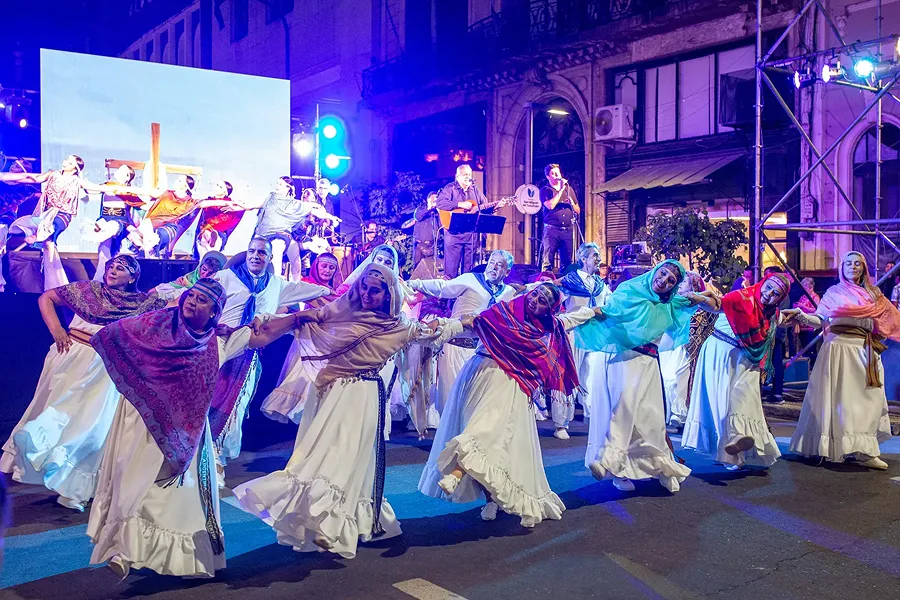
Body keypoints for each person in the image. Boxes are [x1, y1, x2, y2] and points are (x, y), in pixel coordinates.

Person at [234, 264, 450, 559]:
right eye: (363, 287)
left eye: (375, 290)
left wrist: (464, 324)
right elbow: (302, 319)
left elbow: (434, 332)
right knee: (317, 455)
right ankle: (324, 522)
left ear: (388, 294)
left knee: (348, 459)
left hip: (361, 396)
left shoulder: (398, 326)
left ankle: (336, 523)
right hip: (328, 393)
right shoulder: (339, 309)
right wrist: (276, 319)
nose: (366, 294)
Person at [86, 278, 282, 578]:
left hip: (185, 431)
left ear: (215, 313)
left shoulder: (218, 343)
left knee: (176, 496)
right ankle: (123, 550)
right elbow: (109, 335)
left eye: (203, 301)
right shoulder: (154, 327)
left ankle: (183, 559)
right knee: (132, 482)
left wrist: (290, 317)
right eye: (191, 296)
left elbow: (262, 335)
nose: (193, 302)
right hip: (142, 420)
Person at [419, 284, 597, 526]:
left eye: (543, 301)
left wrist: (593, 312)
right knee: (495, 443)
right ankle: (492, 499)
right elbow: (468, 324)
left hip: (510, 383)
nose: (536, 301)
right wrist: (436, 327)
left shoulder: (547, 328)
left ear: (548, 310)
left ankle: (457, 473)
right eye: (535, 294)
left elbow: (570, 319)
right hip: (478, 375)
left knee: (485, 432)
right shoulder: (501, 312)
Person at [0, 255, 165, 511]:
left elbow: (171, 311)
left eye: (121, 268)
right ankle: (44, 460)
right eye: (111, 266)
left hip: (105, 367)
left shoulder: (142, 303)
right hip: (72, 357)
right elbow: (46, 298)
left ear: (133, 277)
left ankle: (73, 489)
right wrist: (57, 329)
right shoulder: (88, 290)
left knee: (90, 427)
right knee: (59, 415)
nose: (113, 270)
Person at [207, 238, 331, 470]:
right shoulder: (225, 278)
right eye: (252, 251)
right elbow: (201, 297)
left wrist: (337, 291)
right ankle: (200, 453)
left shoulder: (277, 285)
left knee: (236, 404)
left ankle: (218, 459)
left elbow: (315, 290)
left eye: (262, 253)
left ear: (270, 258)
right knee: (209, 397)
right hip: (218, 346)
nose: (256, 256)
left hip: (248, 353)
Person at [578, 260, 696, 493]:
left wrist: (702, 297)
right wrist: (579, 318)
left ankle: (660, 466)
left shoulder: (670, 304)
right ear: (656, 271)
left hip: (648, 364)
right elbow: (607, 313)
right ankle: (613, 465)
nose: (663, 281)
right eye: (663, 274)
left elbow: (711, 304)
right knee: (623, 409)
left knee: (649, 419)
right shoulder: (628, 291)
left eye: (671, 281)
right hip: (622, 359)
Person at [263, 244, 409, 426]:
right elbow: (333, 308)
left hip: (374, 349)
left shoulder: (395, 293)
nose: (383, 264)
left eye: (388, 262)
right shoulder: (352, 287)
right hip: (343, 344)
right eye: (379, 260)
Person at [789, 252, 900, 469]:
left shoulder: (874, 294)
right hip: (837, 349)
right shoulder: (833, 293)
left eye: (857, 263)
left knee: (869, 400)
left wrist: (876, 339)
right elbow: (819, 320)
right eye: (849, 263)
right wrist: (801, 315)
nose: (853, 267)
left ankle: (865, 450)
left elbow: (889, 319)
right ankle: (825, 447)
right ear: (842, 267)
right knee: (838, 402)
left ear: (864, 268)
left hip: (864, 351)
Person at [681, 272, 793, 470]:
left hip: (749, 360)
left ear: (780, 299)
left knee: (744, 400)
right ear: (762, 284)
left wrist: (801, 315)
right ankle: (733, 450)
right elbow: (716, 306)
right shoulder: (740, 297)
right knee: (723, 402)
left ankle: (737, 442)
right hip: (722, 353)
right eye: (768, 288)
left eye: (775, 293)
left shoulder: (772, 314)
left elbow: (784, 318)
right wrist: (698, 298)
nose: (768, 294)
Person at [407, 250, 517, 425]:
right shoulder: (471, 279)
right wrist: (414, 283)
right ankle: (447, 443)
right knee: (450, 399)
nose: (493, 267)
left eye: (500, 265)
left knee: (474, 401)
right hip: (455, 347)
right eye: (491, 262)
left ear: (507, 271)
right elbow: (442, 288)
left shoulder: (509, 292)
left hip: (481, 352)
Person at [5, 155, 113, 290]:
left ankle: (37, 236)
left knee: (54, 226)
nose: (65, 162)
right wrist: (11, 177)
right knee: (47, 243)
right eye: (66, 159)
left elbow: (97, 188)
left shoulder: (77, 181)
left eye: (69, 162)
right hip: (46, 214)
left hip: (63, 215)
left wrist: (118, 188)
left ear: (75, 168)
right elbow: (36, 178)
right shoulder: (52, 174)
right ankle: (54, 284)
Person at [553, 242, 612, 439]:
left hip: (594, 335)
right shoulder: (570, 281)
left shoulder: (601, 286)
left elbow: (611, 304)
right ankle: (561, 423)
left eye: (599, 256)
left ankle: (592, 415)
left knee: (593, 376)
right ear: (583, 259)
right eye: (595, 255)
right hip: (573, 333)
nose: (599, 259)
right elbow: (552, 296)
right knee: (568, 374)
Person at [659, 272, 706, 431]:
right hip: (668, 344)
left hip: (685, 347)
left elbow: (701, 329)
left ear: (694, 285)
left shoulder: (699, 308)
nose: (680, 284)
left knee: (676, 379)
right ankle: (669, 413)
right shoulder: (669, 301)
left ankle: (679, 414)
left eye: (684, 281)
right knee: (666, 379)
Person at [249, 177, 314, 277]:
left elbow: (314, 215)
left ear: (288, 188)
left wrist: (328, 218)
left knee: (292, 256)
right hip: (277, 235)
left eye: (280, 184)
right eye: (277, 184)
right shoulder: (271, 199)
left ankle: (291, 284)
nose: (277, 186)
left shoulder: (295, 205)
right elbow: (253, 205)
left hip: (286, 237)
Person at [86, 165, 143, 277]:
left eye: (122, 170)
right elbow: (90, 191)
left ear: (127, 177)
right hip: (105, 219)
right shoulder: (107, 186)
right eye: (119, 168)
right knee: (104, 254)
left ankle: (103, 228)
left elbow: (141, 204)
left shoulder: (128, 191)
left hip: (120, 222)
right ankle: (100, 281)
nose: (118, 170)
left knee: (112, 227)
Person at [436, 164, 487, 278]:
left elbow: (484, 205)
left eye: (469, 174)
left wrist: (497, 205)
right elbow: (440, 203)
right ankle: (449, 295)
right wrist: (459, 204)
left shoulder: (475, 190)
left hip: (470, 235)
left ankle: (466, 293)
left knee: (469, 271)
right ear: (457, 176)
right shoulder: (450, 188)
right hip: (454, 234)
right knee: (451, 271)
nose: (467, 177)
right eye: (464, 174)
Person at [0, 158, 39, 291]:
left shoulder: (26, 188)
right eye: (13, 164)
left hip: (5, 219)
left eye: (17, 166)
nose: (12, 166)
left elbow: (40, 193)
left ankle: (1, 284)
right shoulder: (2, 179)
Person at [540, 164, 580, 273]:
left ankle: (566, 285)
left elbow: (578, 209)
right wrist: (561, 190)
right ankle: (546, 283)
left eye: (558, 172)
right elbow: (550, 205)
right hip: (551, 230)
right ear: (548, 177)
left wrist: (572, 203)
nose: (557, 175)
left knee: (567, 262)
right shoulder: (545, 190)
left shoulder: (569, 189)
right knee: (548, 259)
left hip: (567, 230)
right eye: (553, 173)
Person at [194, 181, 244, 260]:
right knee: (205, 252)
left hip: (219, 232)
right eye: (217, 184)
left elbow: (239, 212)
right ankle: (210, 240)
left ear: (226, 192)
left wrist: (237, 206)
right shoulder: (208, 201)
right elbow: (201, 216)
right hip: (205, 229)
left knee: (208, 254)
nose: (216, 187)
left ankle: (212, 238)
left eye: (220, 187)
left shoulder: (230, 204)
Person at [152, 251, 227, 301]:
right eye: (204, 269)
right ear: (200, 266)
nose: (205, 274)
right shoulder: (186, 279)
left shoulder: (217, 291)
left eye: (211, 273)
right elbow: (153, 292)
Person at [793, 277, 821, 368]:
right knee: (804, 346)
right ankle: (806, 365)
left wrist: (802, 307)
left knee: (810, 346)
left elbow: (816, 309)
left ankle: (813, 365)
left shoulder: (815, 297)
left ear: (811, 287)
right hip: (802, 325)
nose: (803, 289)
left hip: (810, 326)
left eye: (805, 287)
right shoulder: (803, 297)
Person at [412, 192, 440, 266]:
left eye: (436, 199)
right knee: (418, 267)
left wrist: (439, 210)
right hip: (420, 245)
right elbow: (417, 217)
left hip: (432, 245)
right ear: (428, 200)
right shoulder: (420, 209)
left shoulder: (437, 213)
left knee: (431, 267)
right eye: (432, 199)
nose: (434, 200)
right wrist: (429, 208)